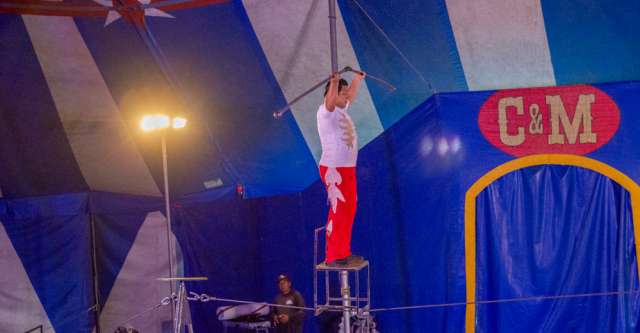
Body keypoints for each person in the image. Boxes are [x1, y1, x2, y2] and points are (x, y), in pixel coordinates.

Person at [317, 71, 366, 267]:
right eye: (341, 92)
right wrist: (333, 82)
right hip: (334, 169)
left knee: (349, 209)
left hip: (348, 169)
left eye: (345, 92)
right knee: (339, 210)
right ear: (332, 92)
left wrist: (357, 80)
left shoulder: (341, 109)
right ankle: (333, 256)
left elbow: (351, 96)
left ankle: (343, 251)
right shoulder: (325, 112)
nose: (346, 96)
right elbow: (330, 101)